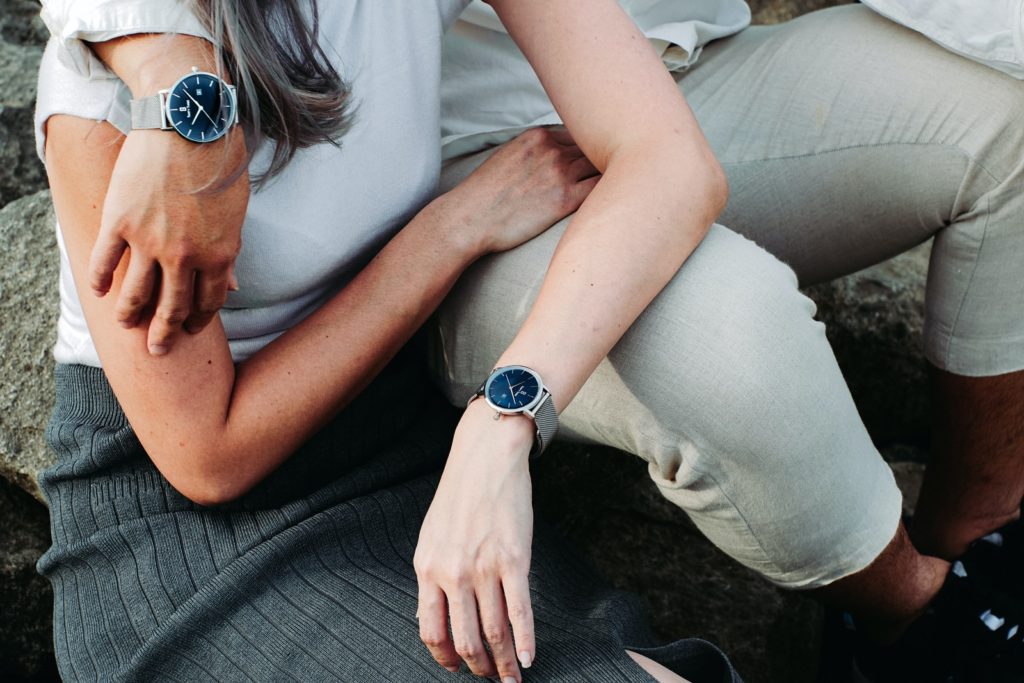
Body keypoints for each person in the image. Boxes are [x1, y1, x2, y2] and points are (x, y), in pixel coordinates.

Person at [39, 0, 1024, 681]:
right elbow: (208, 454)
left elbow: (670, 161)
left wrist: (500, 421)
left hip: (393, 453)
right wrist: (452, 227)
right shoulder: (113, 78)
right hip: (196, 538)